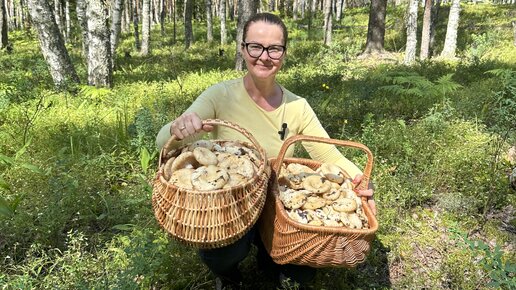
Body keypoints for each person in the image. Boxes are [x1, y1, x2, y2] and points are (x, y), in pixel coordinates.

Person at [156, 12, 376, 289]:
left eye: (274, 48)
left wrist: (361, 182)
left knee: (304, 274)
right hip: (233, 202)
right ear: (243, 48)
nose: (264, 56)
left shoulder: (298, 106)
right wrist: (180, 128)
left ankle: (272, 258)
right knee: (223, 253)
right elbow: (162, 140)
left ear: (283, 53)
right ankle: (228, 273)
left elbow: (329, 155)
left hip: (278, 198)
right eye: (256, 46)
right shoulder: (219, 96)